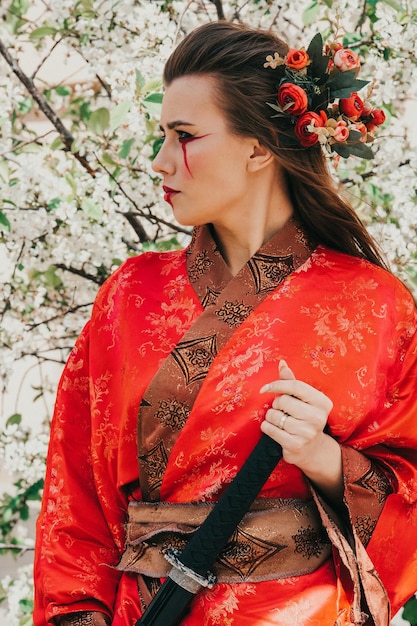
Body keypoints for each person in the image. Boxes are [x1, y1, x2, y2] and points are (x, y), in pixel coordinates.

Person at [34, 20, 417, 626]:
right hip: (152, 611)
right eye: (162, 135)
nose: (159, 162)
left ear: (259, 146)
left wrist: (321, 456)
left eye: (183, 136)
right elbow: (74, 494)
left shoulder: (374, 303)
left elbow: (411, 492)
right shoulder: (132, 293)